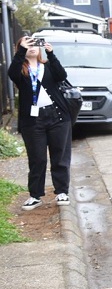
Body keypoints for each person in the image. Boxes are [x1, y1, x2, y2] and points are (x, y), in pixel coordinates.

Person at [7, 35, 73, 210]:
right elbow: (11, 73)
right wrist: (21, 50)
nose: (32, 47)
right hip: (32, 120)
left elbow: (62, 75)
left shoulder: (48, 66)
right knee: (37, 158)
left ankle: (62, 192)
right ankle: (35, 195)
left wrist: (51, 53)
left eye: (35, 43)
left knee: (60, 155)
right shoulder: (21, 71)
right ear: (20, 49)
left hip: (57, 116)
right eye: (27, 44)